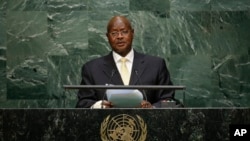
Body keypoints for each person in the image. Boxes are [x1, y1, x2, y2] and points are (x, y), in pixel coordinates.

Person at [76, 15, 175, 108]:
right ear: (107, 37)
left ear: (132, 33)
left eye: (124, 31)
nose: (119, 36)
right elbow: (83, 103)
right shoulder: (92, 69)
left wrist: (152, 108)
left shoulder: (155, 65)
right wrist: (99, 106)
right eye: (114, 33)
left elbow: (168, 99)